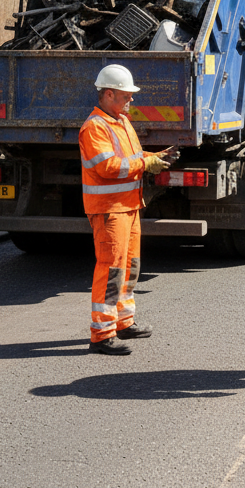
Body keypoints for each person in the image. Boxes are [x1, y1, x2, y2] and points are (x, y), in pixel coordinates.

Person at [80, 64, 176, 356]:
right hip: (110, 211)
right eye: (126, 95)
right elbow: (108, 167)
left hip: (127, 207)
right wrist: (145, 164)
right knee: (111, 270)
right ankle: (102, 334)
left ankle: (123, 321)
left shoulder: (119, 121)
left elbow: (131, 157)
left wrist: (154, 157)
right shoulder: (94, 127)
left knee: (129, 267)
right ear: (108, 94)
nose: (131, 100)